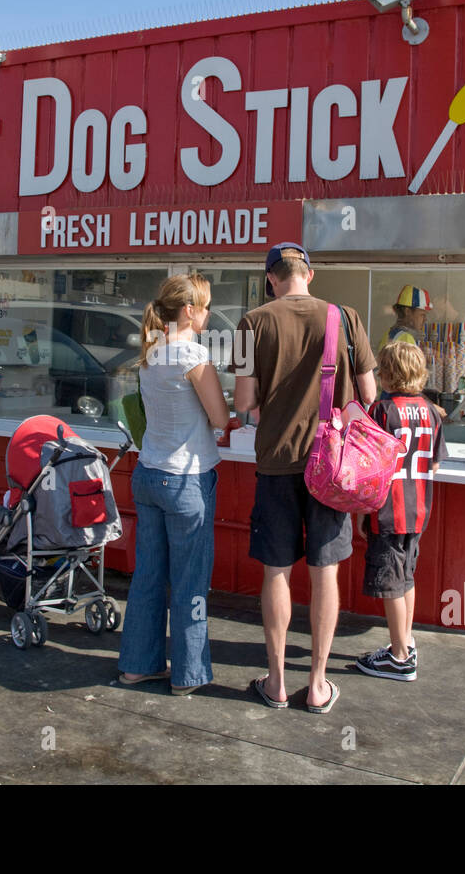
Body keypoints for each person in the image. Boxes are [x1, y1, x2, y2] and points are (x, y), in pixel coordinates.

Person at [235, 243, 377, 713]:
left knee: (277, 571)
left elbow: (243, 403)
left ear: (271, 279)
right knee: (325, 573)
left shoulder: (251, 323)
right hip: (332, 468)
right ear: (309, 274)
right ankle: (317, 684)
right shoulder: (346, 317)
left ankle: (276, 681)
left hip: (277, 462)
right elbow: (370, 394)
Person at [117, 274, 229, 695]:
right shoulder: (191, 354)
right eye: (204, 306)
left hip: (148, 473)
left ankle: (136, 666)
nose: (207, 314)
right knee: (189, 581)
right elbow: (219, 418)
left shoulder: (151, 353)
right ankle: (188, 673)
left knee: (147, 576)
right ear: (188, 310)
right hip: (186, 480)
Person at [356, 341, 447, 680]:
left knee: (391, 582)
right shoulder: (430, 410)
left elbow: (371, 469)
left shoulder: (381, 411)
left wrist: (363, 513)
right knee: (406, 576)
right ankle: (406, 642)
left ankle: (398, 656)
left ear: (388, 372)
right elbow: (434, 464)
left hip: (388, 511)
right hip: (419, 510)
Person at [385, 285, 447, 417]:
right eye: (422, 314)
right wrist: (431, 406)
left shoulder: (391, 333)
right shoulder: (405, 339)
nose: (425, 320)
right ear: (407, 311)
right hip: (400, 406)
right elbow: (407, 382)